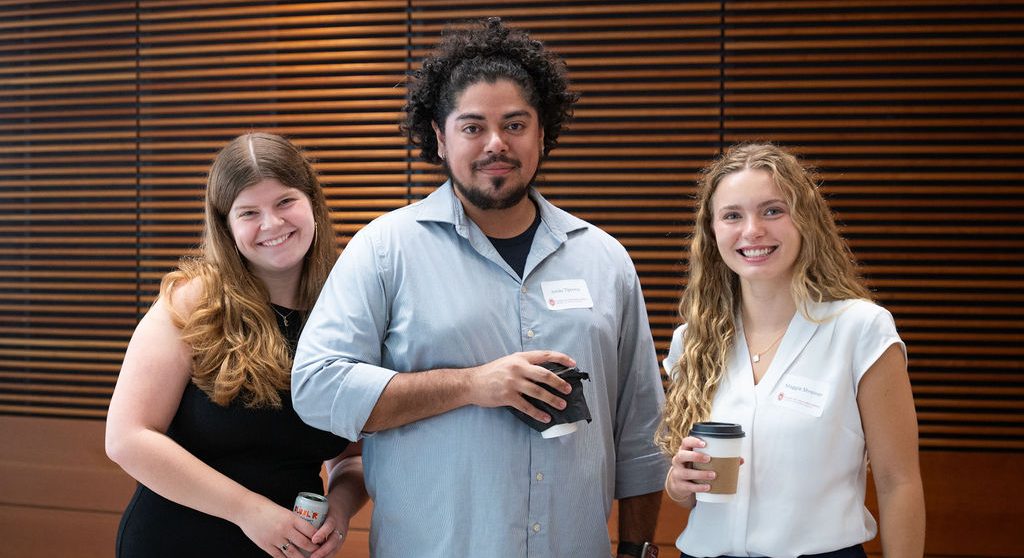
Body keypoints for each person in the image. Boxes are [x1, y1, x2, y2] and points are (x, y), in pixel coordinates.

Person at [291, 17, 667, 558]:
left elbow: (640, 433)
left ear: (542, 134)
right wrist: (471, 385)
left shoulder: (604, 259)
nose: (496, 144)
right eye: (472, 127)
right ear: (440, 138)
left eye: (515, 124)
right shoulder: (385, 248)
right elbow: (317, 388)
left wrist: (638, 548)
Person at [657, 143, 926, 558]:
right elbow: (694, 495)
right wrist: (679, 484)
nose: (752, 231)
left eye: (772, 210)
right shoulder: (691, 342)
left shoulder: (860, 329)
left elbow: (899, 482)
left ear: (805, 220)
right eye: (732, 215)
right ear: (712, 232)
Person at [105, 132, 367, 558]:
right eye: (249, 212)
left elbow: (353, 457)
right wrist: (250, 511)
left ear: (312, 203)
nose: (272, 224)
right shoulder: (193, 301)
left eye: (285, 202)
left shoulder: (350, 306)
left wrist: (339, 510)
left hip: (289, 548)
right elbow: (127, 439)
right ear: (226, 225)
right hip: (177, 542)